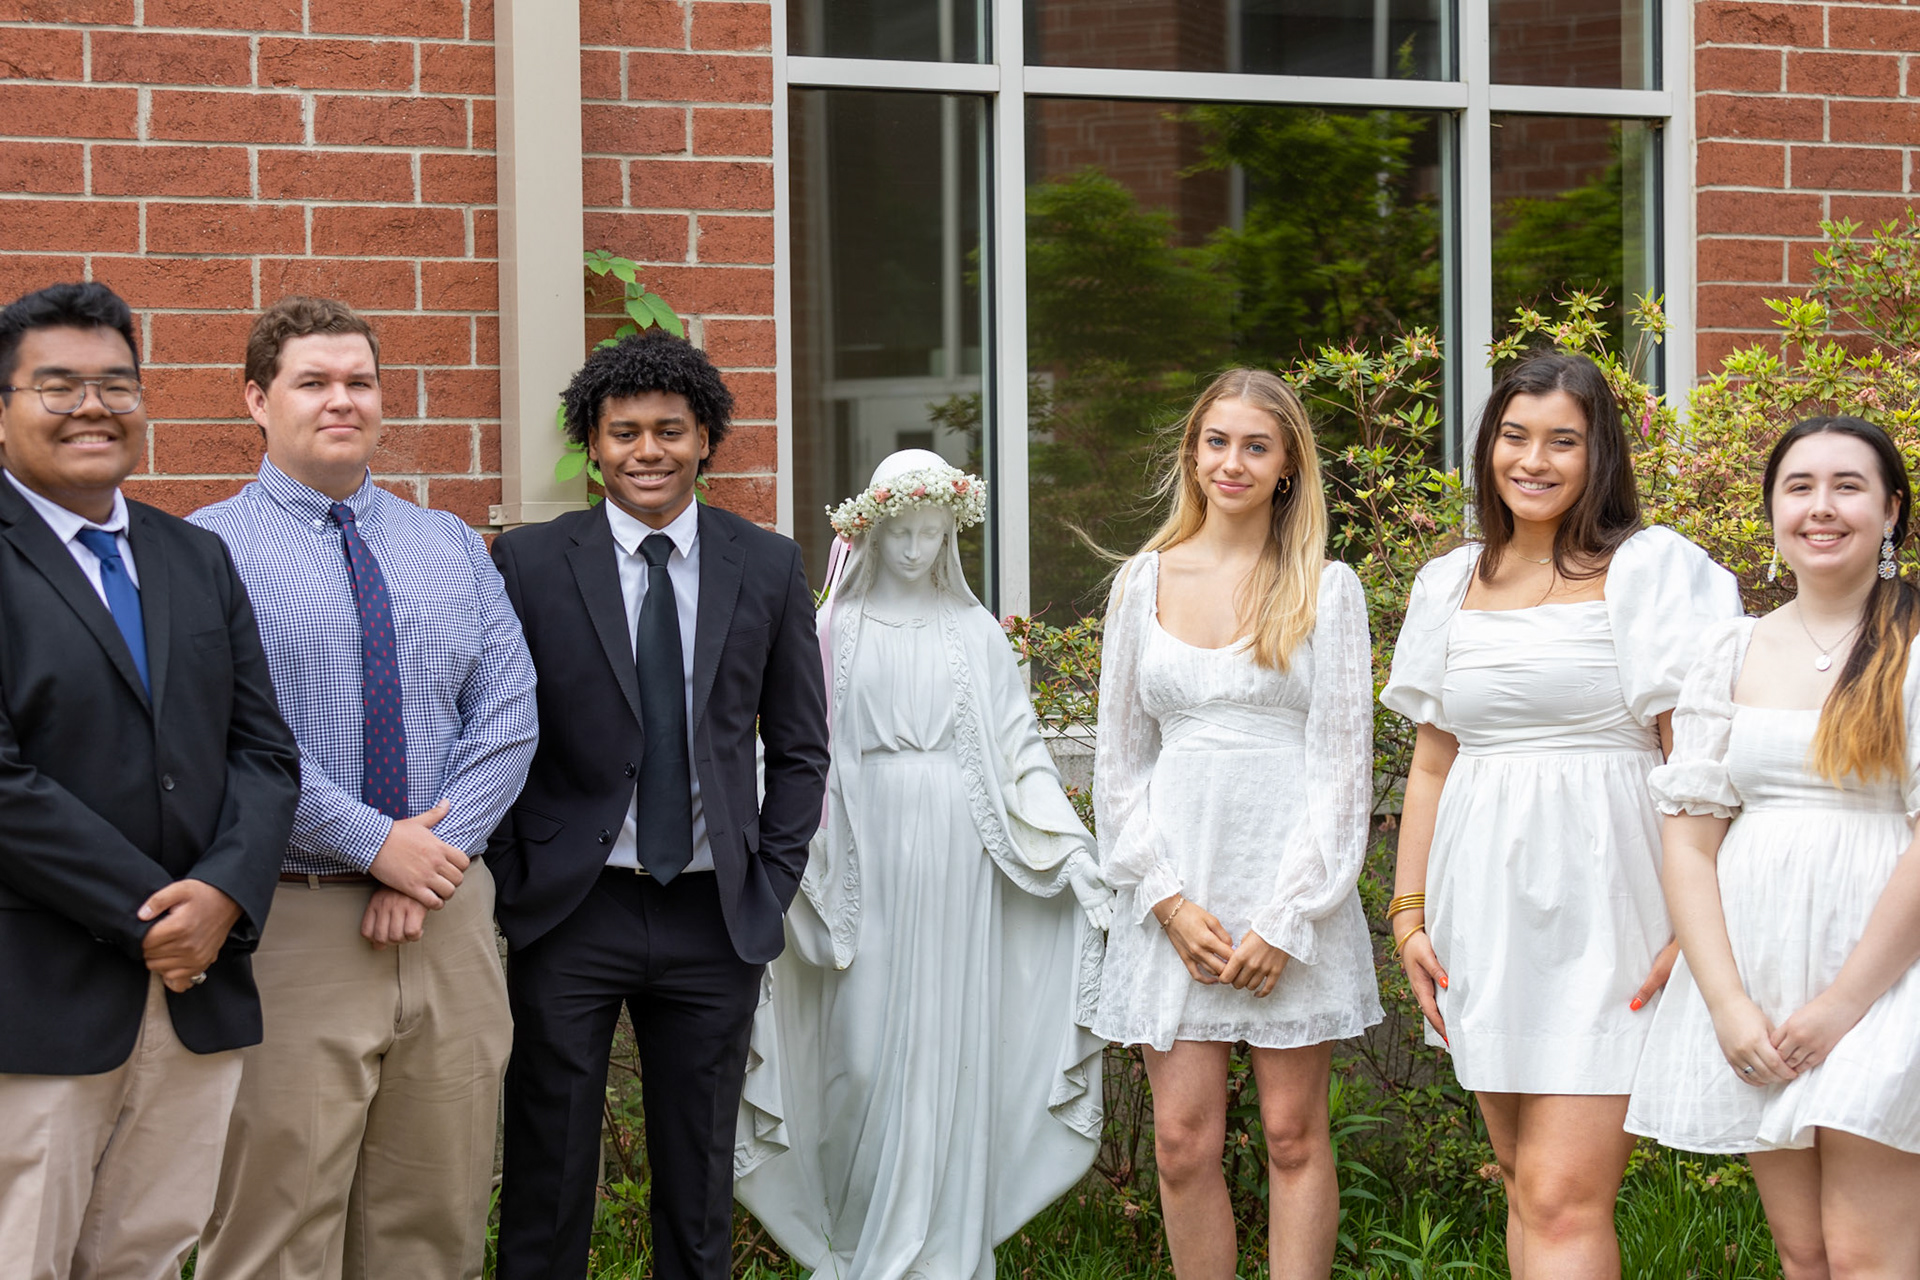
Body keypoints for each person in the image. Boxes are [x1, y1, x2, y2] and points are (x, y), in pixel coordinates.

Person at [190, 296, 538, 1280]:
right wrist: (373, 842)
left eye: (359, 380)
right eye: (313, 381)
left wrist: (430, 859)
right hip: (292, 924)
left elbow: (509, 717)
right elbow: (221, 734)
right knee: (273, 1230)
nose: (341, 399)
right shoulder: (202, 552)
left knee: (434, 1222)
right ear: (257, 399)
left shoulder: (452, 544)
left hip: (449, 923)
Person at [1380, 350, 1742, 1279]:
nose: (1533, 460)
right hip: (1483, 913)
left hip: (1615, 902)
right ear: (1489, 445)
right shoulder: (1448, 582)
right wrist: (1408, 912)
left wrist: (1696, 925)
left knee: (1558, 1193)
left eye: (1563, 441)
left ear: (1600, 455)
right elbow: (1432, 761)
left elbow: (1693, 762)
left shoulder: (1651, 568)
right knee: (1519, 1178)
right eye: (1514, 435)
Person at [488, 329, 829, 1280]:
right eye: (624, 431)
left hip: (716, 910)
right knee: (548, 1169)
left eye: (670, 431)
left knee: (698, 1175)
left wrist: (774, 875)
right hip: (573, 904)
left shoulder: (765, 565)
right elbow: (498, 728)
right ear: (591, 445)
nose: (648, 451)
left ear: (706, 438)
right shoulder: (530, 563)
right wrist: (517, 871)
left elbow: (800, 747)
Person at [733, 449, 1113, 1279]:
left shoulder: (971, 633)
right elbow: (796, 747)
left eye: (930, 533)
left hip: (957, 850)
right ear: (870, 532)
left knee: (949, 1043)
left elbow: (1021, 755)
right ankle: (860, 1241)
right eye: (900, 532)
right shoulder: (836, 627)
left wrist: (1070, 849)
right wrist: (772, 850)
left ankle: (942, 1247)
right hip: (858, 850)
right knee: (860, 1053)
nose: (912, 550)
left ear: (951, 535)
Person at [0, 281, 301, 1278]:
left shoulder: (194, 556)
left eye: (117, 383)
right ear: (3, 407)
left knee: (144, 1256)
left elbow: (264, 753)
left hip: (196, 994)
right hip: (38, 999)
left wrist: (220, 895)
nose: (94, 405)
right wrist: (153, 916)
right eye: (58, 385)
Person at [1092, 368, 1382, 1279]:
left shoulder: (1326, 590)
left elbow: (1343, 770)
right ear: (1193, 452)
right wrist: (1166, 900)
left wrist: (1289, 919)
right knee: (1182, 1141)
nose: (1233, 461)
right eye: (1217, 441)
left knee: (1293, 1136)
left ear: (1288, 464)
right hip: (1175, 897)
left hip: (1288, 895)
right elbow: (1117, 764)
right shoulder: (1142, 584)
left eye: (1256, 445)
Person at [1626, 415, 1920, 1277]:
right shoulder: (1731, 650)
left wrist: (1840, 1007)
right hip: (1761, 975)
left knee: (1869, 1254)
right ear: (1772, 513)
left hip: (1886, 981)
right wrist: (1726, 1004)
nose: (1821, 509)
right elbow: (1688, 844)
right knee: (1804, 1254)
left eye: (1848, 486)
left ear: (1892, 512)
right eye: (1800, 488)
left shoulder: (1913, 649)